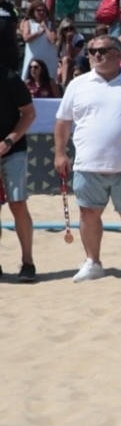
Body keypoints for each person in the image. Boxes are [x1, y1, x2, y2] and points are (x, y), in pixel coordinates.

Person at [54, 35, 121, 284]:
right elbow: (63, 121)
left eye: (103, 50)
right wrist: (59, 153)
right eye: (92, 51)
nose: (96, 55)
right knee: (88, 214)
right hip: (88, 164)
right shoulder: (77, 85)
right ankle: (93, 262)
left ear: (119, 54)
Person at [0, 59, 36, 281]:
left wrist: (9, 141)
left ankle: (28, 263)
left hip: (13, 150)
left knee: (18, 204)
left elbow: (29, 114)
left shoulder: (10, 78)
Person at [19, 1, 58, 81]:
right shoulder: (28, 23)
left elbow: (53, 39)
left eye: (43, 10)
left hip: (49, 58)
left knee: (50, 80)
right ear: (33, 12)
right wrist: (39, 32)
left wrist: (46, 28)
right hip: (33, 58)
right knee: (28, 79)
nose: (41, 12)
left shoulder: (51, 24)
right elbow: (26, 38)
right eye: (38, 10)